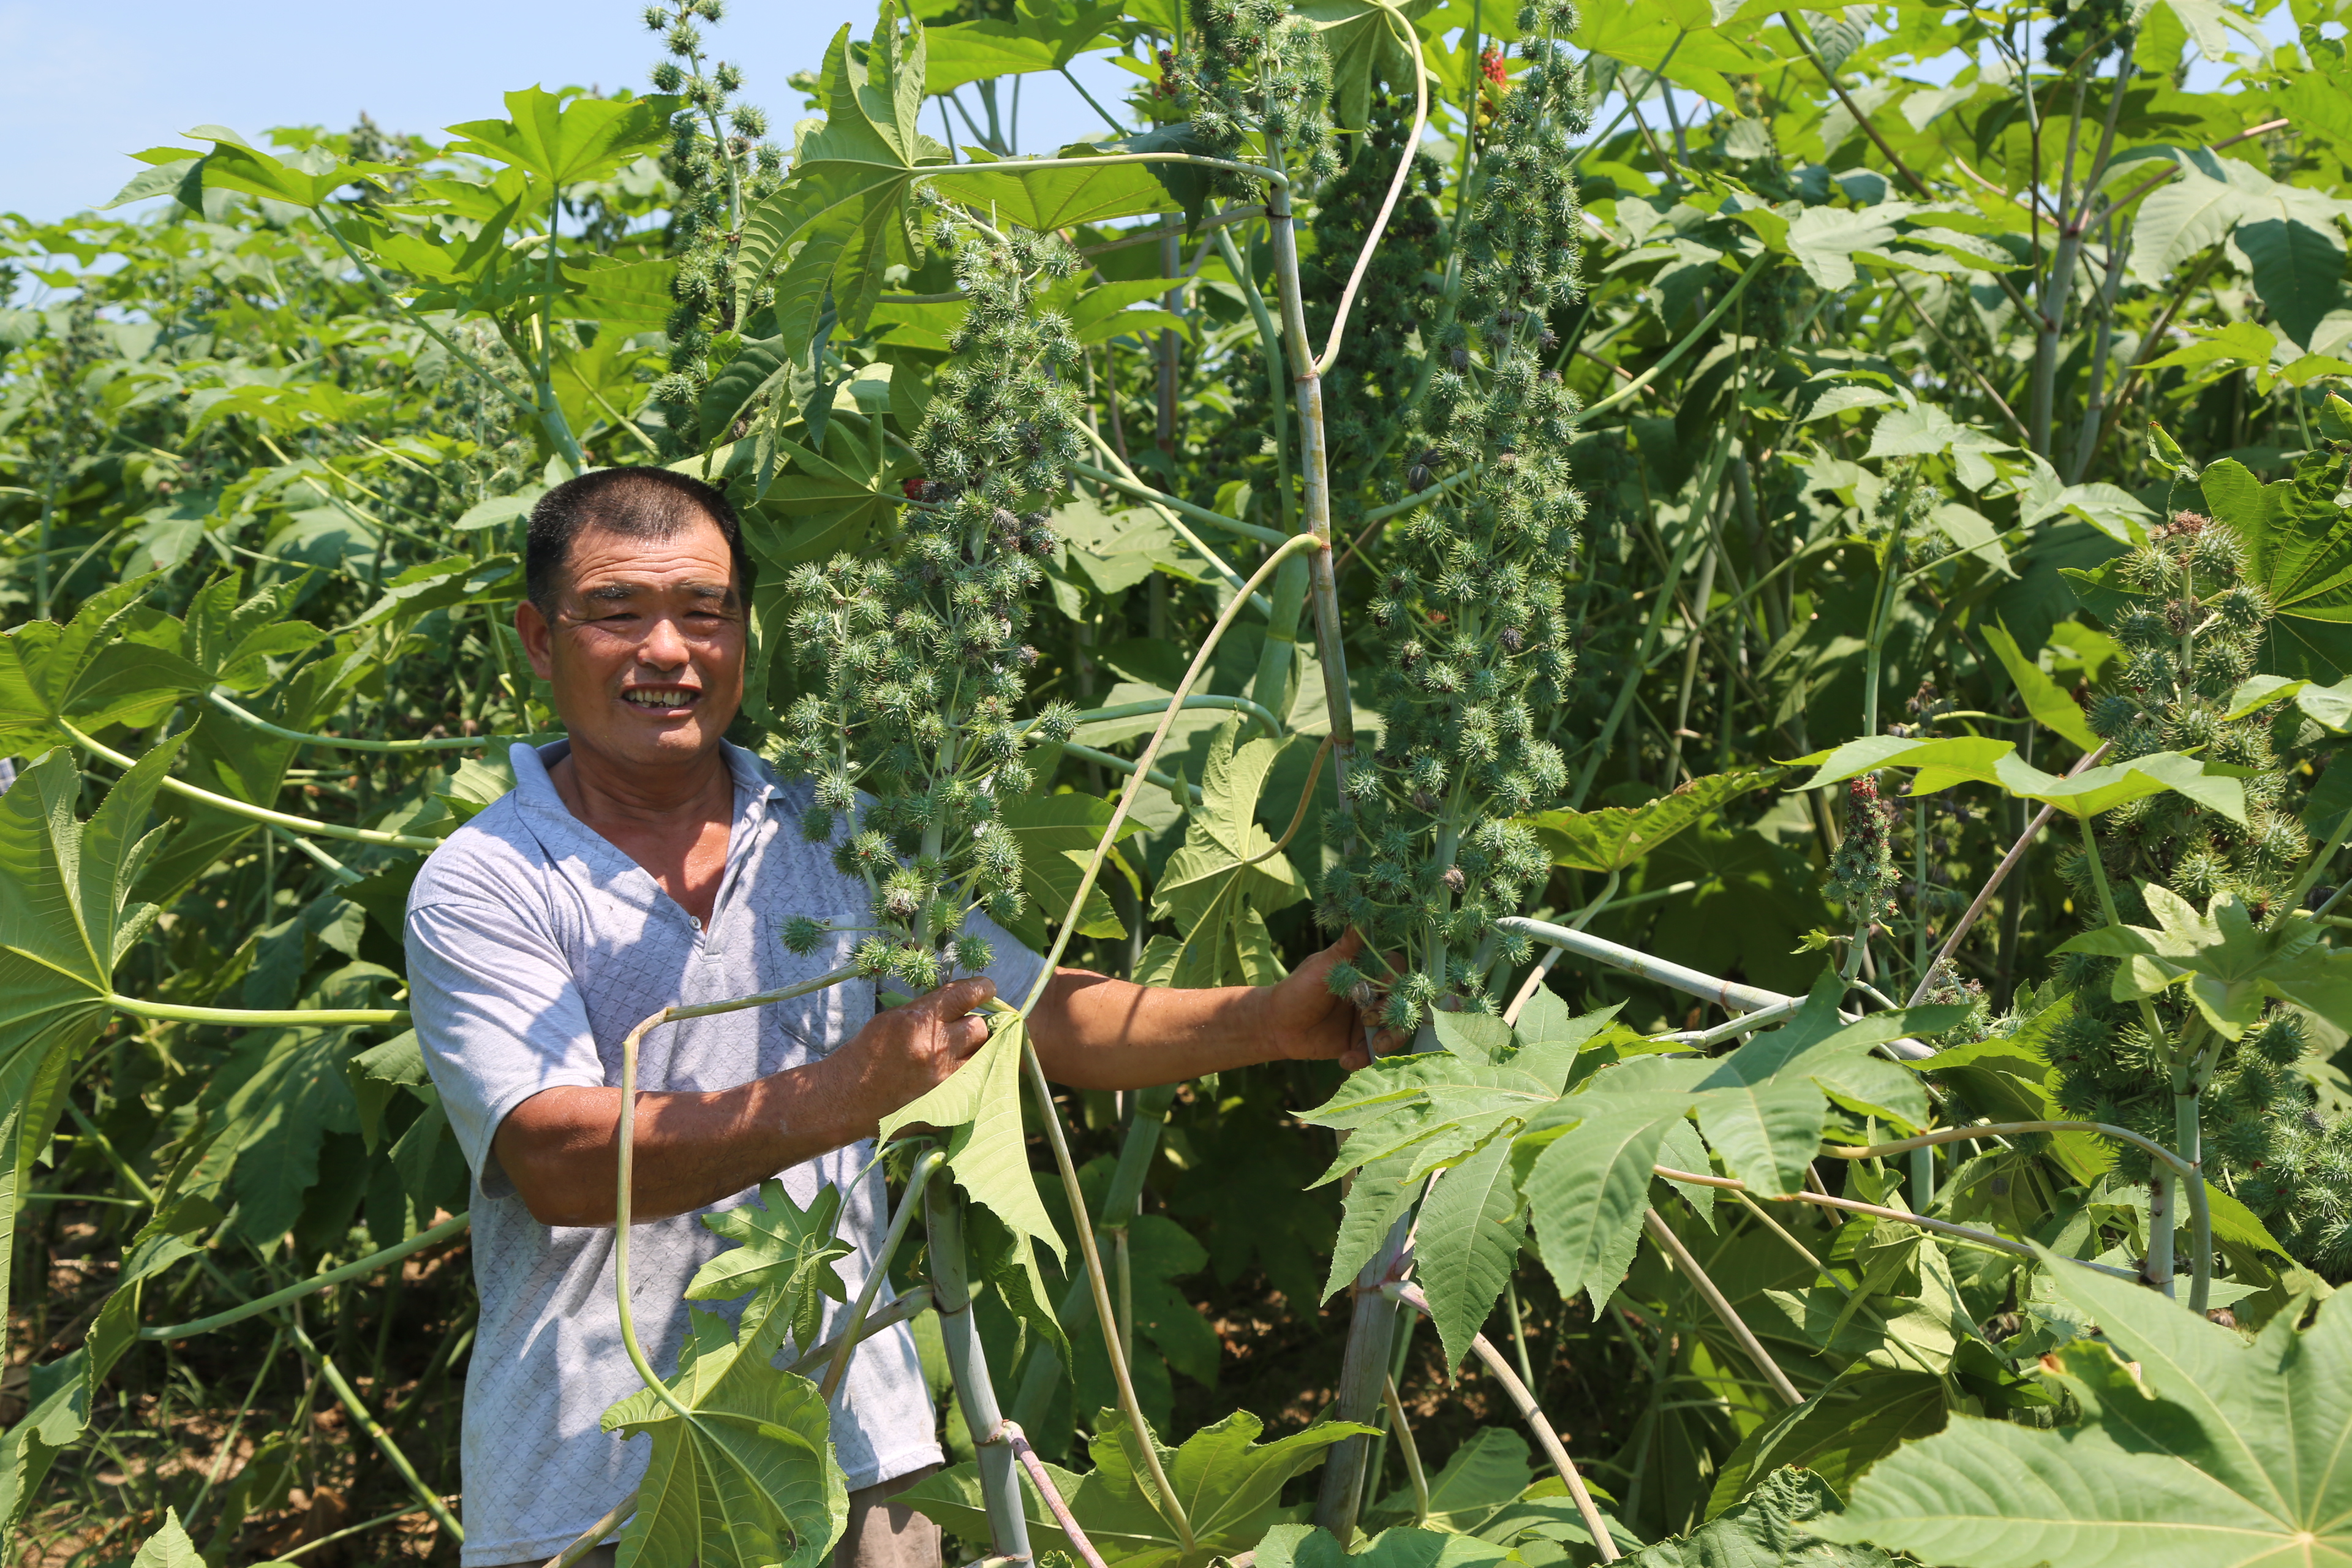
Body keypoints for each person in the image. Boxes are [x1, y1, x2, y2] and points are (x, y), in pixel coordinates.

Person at [405, 467, 1376, 1568]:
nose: (668, 651)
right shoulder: (487, 879)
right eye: (617, 612)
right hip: (592, 1479)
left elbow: (1037, 1018)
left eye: (705, 612)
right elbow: (560, 1162)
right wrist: (847, 1090)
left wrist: (1275, 1019)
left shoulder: (834, 831)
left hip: (856, 1451)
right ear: (540, 638)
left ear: (746, 633)